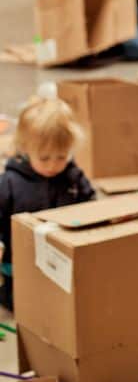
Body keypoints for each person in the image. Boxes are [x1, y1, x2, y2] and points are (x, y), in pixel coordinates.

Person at [0, 97, 95, 310]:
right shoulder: (9, 182)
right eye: (44, 158)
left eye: (61, 157)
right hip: (19, 263)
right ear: (25, 148)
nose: (53, 165)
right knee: (22, 304)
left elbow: (91, 202)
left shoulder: (73, 176)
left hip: (64, 259)